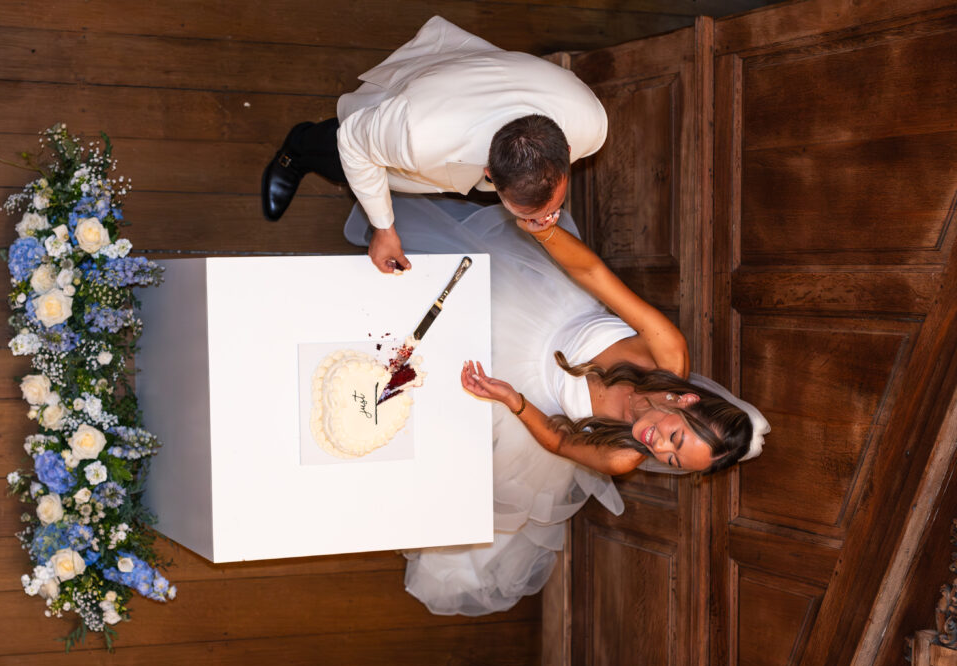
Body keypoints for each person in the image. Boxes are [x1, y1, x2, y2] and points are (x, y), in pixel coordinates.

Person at [343, 195, 770, 616]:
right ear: (687, 400)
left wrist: (514, 400)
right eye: (675, 438)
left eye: (673, 461)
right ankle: (334, 161)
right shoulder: (667, 353)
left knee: (397, 386)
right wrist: (545, 231)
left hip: (529, 395)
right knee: (414, 302)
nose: (659, 449)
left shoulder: (623, 457)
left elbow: (562, 443)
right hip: (532, 311)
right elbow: (593, 272)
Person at [262, 15, 607, 273]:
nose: (548, 217)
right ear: (489, 173)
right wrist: (384, 229)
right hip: (427, 98)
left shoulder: (590, 125)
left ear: (568, 152)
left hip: (488, 80)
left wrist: (541, 210)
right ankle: (295, 149)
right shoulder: (418, 132)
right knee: (337, 151)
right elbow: (355, 141)